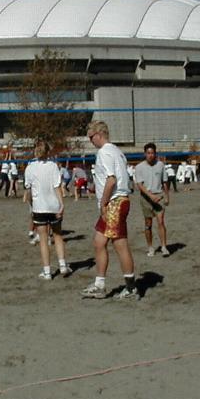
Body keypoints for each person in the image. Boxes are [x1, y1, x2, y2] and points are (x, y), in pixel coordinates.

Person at [81, 120, 138, 301]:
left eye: (91, 137)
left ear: (98, 134)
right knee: (99, 242)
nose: (90, 141)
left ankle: (130, 288)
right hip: (119, 200)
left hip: (114, 202)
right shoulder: (117, 151)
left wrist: (104, 203)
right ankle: (100, 284)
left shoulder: (104, 152)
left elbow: (111, 180)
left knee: (120, 244)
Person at [24, 141, 71, 280]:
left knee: (43, 240)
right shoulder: (53, 166)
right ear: (48, 151)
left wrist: (32, 205)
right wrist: (62, 204)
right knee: (57, 235)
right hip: (53, 205)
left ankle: (47, 271)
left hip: (39, 206)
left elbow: (29, 189)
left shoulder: (30, 168)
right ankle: (62, 265)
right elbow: (57, 186)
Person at [133, 142, 171, 257]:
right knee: (148, 224)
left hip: (158, 196)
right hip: (146, 198)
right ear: (145, 154)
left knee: (161, 221)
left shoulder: (160, 165)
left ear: (155, 153)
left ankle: (164, 246)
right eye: (148, 153)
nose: (151, 155)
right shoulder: (139, 167)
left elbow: (165, 182)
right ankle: (150, 247)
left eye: (152, 153)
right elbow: (139, 185)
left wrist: (167, 196)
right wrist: (150, 196)